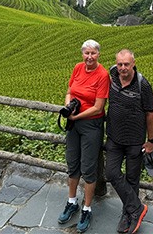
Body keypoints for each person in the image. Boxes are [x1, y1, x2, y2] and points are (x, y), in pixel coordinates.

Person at [58, 39, 110, 233]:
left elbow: (99, 106)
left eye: (93, 53)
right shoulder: (78, 68)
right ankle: (72, 201)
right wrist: (68, 106)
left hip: (91, 124)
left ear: (98, 55)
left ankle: (87, 208)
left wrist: (76, 115)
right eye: (86, 53)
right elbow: (70, 91)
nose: (89, 57)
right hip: (74, 123)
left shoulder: (103, 75)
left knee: (89, 167)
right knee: (72, 163)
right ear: (82, 54)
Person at [105, 49, 153, 234]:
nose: (123, 68)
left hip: (135, 140)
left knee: (133, 179)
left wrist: (151, 141)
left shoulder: (143, 85)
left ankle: (127, 214)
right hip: (114, 137)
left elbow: (150, 114)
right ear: (115, 65)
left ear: (133, 63)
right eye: (120, 64)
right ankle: (137, 208)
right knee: (111, 172)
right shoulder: (112, 76)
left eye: (126, 64)